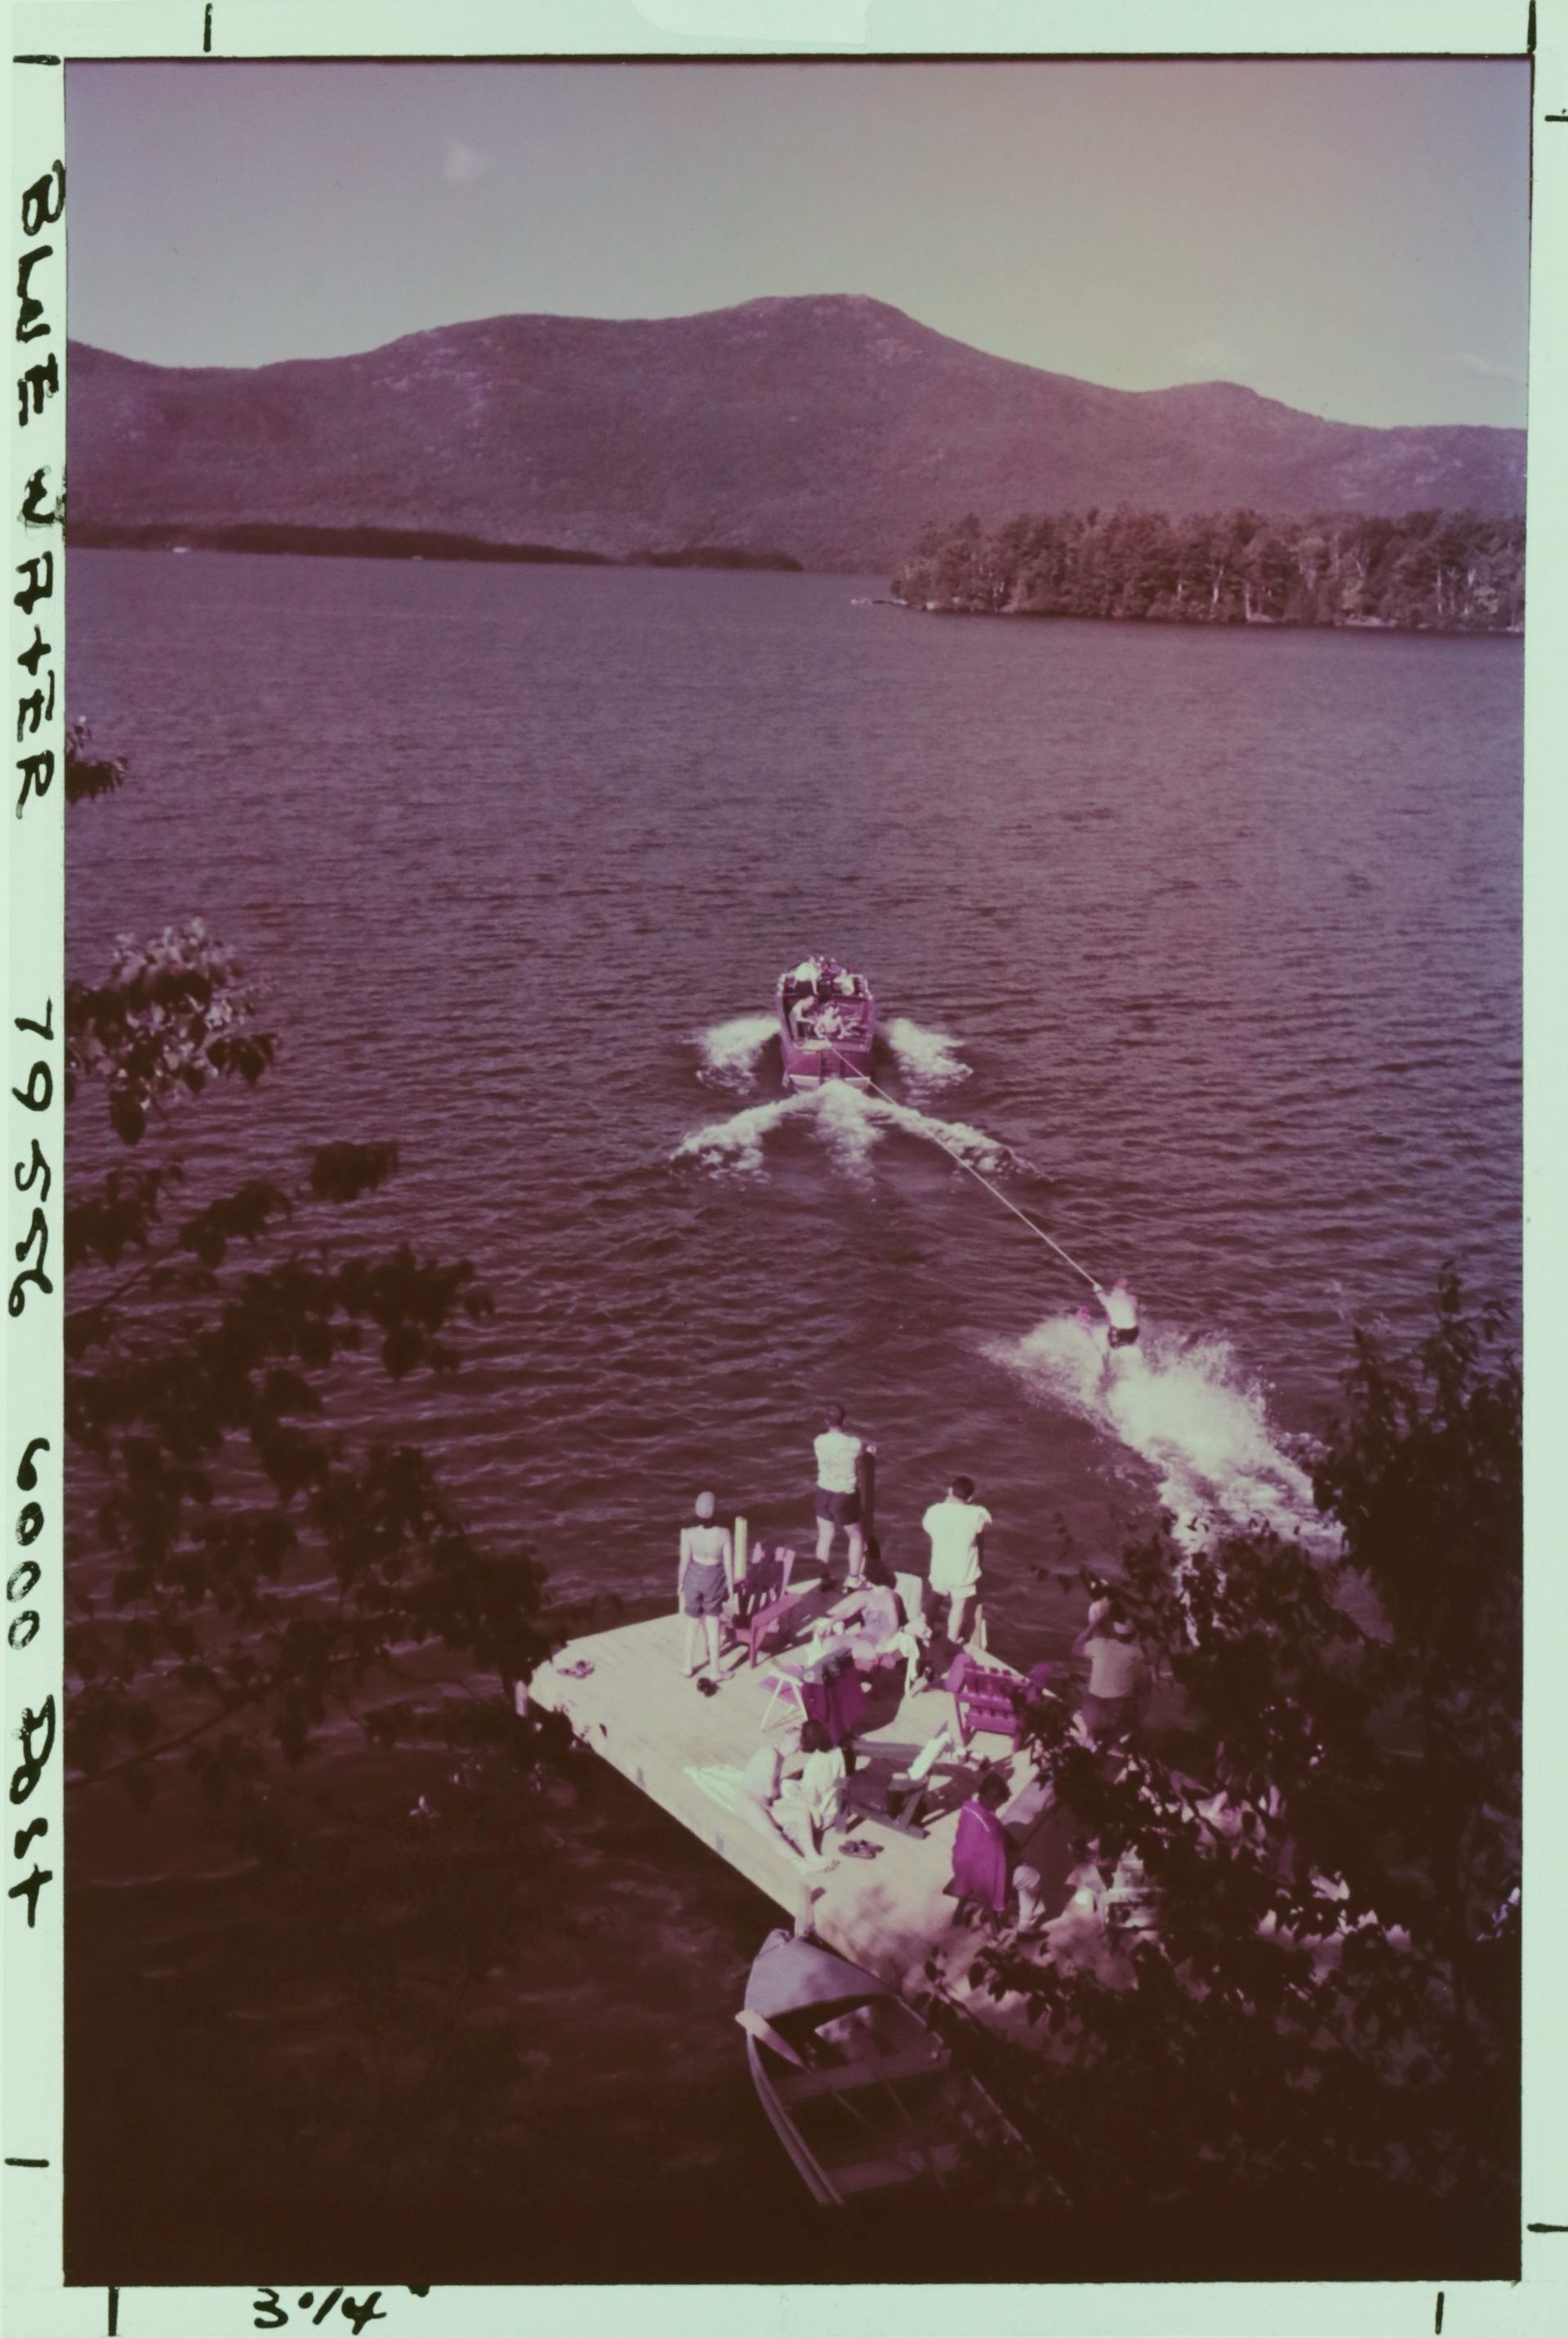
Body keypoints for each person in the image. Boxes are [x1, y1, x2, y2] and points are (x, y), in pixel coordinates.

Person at [921, 1473, 991, 1641]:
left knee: (934, 1600)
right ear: (970, 1498)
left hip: (940, 1568)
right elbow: (986, 1524)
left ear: (950, 1490)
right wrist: (974, 1507)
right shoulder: (976, 1515)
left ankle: (924, 1632)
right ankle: (951, 1640)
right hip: (962, 1573)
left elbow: (927, 1526)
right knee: (957, 1607)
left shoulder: (934, 1511)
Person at [1072, 1595, 1147, 1742]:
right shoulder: (1136, 1653)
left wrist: (1094, 1623)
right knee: (1140, 1685)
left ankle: (1098, 1738)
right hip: (1114, 1709)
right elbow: (1144, 1687)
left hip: (1093, 1709)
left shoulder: (1101, 1645)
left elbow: (1076, 1648)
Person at [813, 1403, 873, 1586]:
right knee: (856, 1537)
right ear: (845, 1421)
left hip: (823, 1493)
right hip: (844, 1496)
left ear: (826, 1421)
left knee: (825, 1536)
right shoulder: (854, 1443)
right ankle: (853, 1578)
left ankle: (824, 1578)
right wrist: (871, 1452)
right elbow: (864, 1452)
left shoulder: (819, 1441)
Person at [677, 1491, 734, 1680]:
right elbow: (728, 1564)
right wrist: (731, 1588)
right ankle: (715, 1670)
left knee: (692, 1624)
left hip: (693, 1578)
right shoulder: (724, 1534)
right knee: (713, 1623)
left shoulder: (688, 1534)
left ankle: (687, 1666)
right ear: (715, 1510)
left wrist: (680, 1584)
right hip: (713, 1580)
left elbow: (684, 1562)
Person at [1094, 1278, 1140, 1350]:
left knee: (1113, 1342)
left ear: (1115, 1287)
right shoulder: (1133, 1299)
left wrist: (1097, 1288)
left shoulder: (1108, 1300)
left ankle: (1113, 1349)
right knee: (1112, 1314)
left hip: (1119, 1333)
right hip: (1133, 1332)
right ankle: (1130, 1346)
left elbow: (1100, 1294)